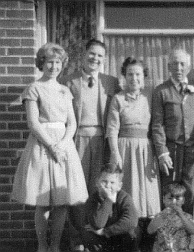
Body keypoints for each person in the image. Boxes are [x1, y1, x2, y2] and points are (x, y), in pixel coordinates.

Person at [10, 43, 88, 252]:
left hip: (64, 146)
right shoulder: (34, 88)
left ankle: (55, 246)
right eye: (49, 62)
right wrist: (52, 146)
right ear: (41, 63)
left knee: (61, 202)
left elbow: (71, 123)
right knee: (43, 201)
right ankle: (43, 246)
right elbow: (33, 123)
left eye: (58, 62)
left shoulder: (65, 90)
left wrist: (62, 144)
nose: (54, 66)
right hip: (42, 145)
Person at [60, 39, 121, 251]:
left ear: (104, 59)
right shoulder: (68, 81)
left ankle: (95, 239)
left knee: (99, 189)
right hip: (77, 139)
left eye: (100, 56)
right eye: (92, 54)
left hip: (102, 140)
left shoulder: (111, 82)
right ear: (84, 54)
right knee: (77, 190)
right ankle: (77, 241)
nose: (95, 59)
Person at [106, 57, 160, 219]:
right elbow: (112, 129)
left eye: (138, 74)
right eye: (130, 74)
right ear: (124, 76)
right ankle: (127, 228)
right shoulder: (118, 99)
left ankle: (146, 231)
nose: (134, 78)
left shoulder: (149, 96)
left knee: (146, 189)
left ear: (144, 76)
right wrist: (115, 153)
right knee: (127, 187)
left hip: (145, 149)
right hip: (124, 148)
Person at [151, 48, 194, 214]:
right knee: (169, 191)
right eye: (174, 64)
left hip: (193, 149)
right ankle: (168, 233)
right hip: (171, 150)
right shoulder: (161, 91)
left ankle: (189, 232)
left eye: (182, 64)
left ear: (189, 67)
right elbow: (157, 124)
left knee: (190, 190)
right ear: (168, 67)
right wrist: (162, 152)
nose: (179, 68)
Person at [81, 163, 140, 252]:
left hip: (118, 236)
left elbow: (131, 221)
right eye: (104, 181)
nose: (108, 185)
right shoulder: (92, 199)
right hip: (101, 241)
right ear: (97, 182)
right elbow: (98, 224)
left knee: (131, 233)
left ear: (119, 186)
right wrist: (108, 200)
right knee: (87, 233)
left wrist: (106, 231)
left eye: (112, 182)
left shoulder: (124, 197)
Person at [147, 182, 194, 252]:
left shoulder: (187, 217)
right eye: (170, 198)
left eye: (177, 199)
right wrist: (162, 216)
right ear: (164, 200)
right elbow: (150, 230)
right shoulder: (159, 216)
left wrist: (181, 216)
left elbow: (193, 231)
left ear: (183, 201)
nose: (173, 202)